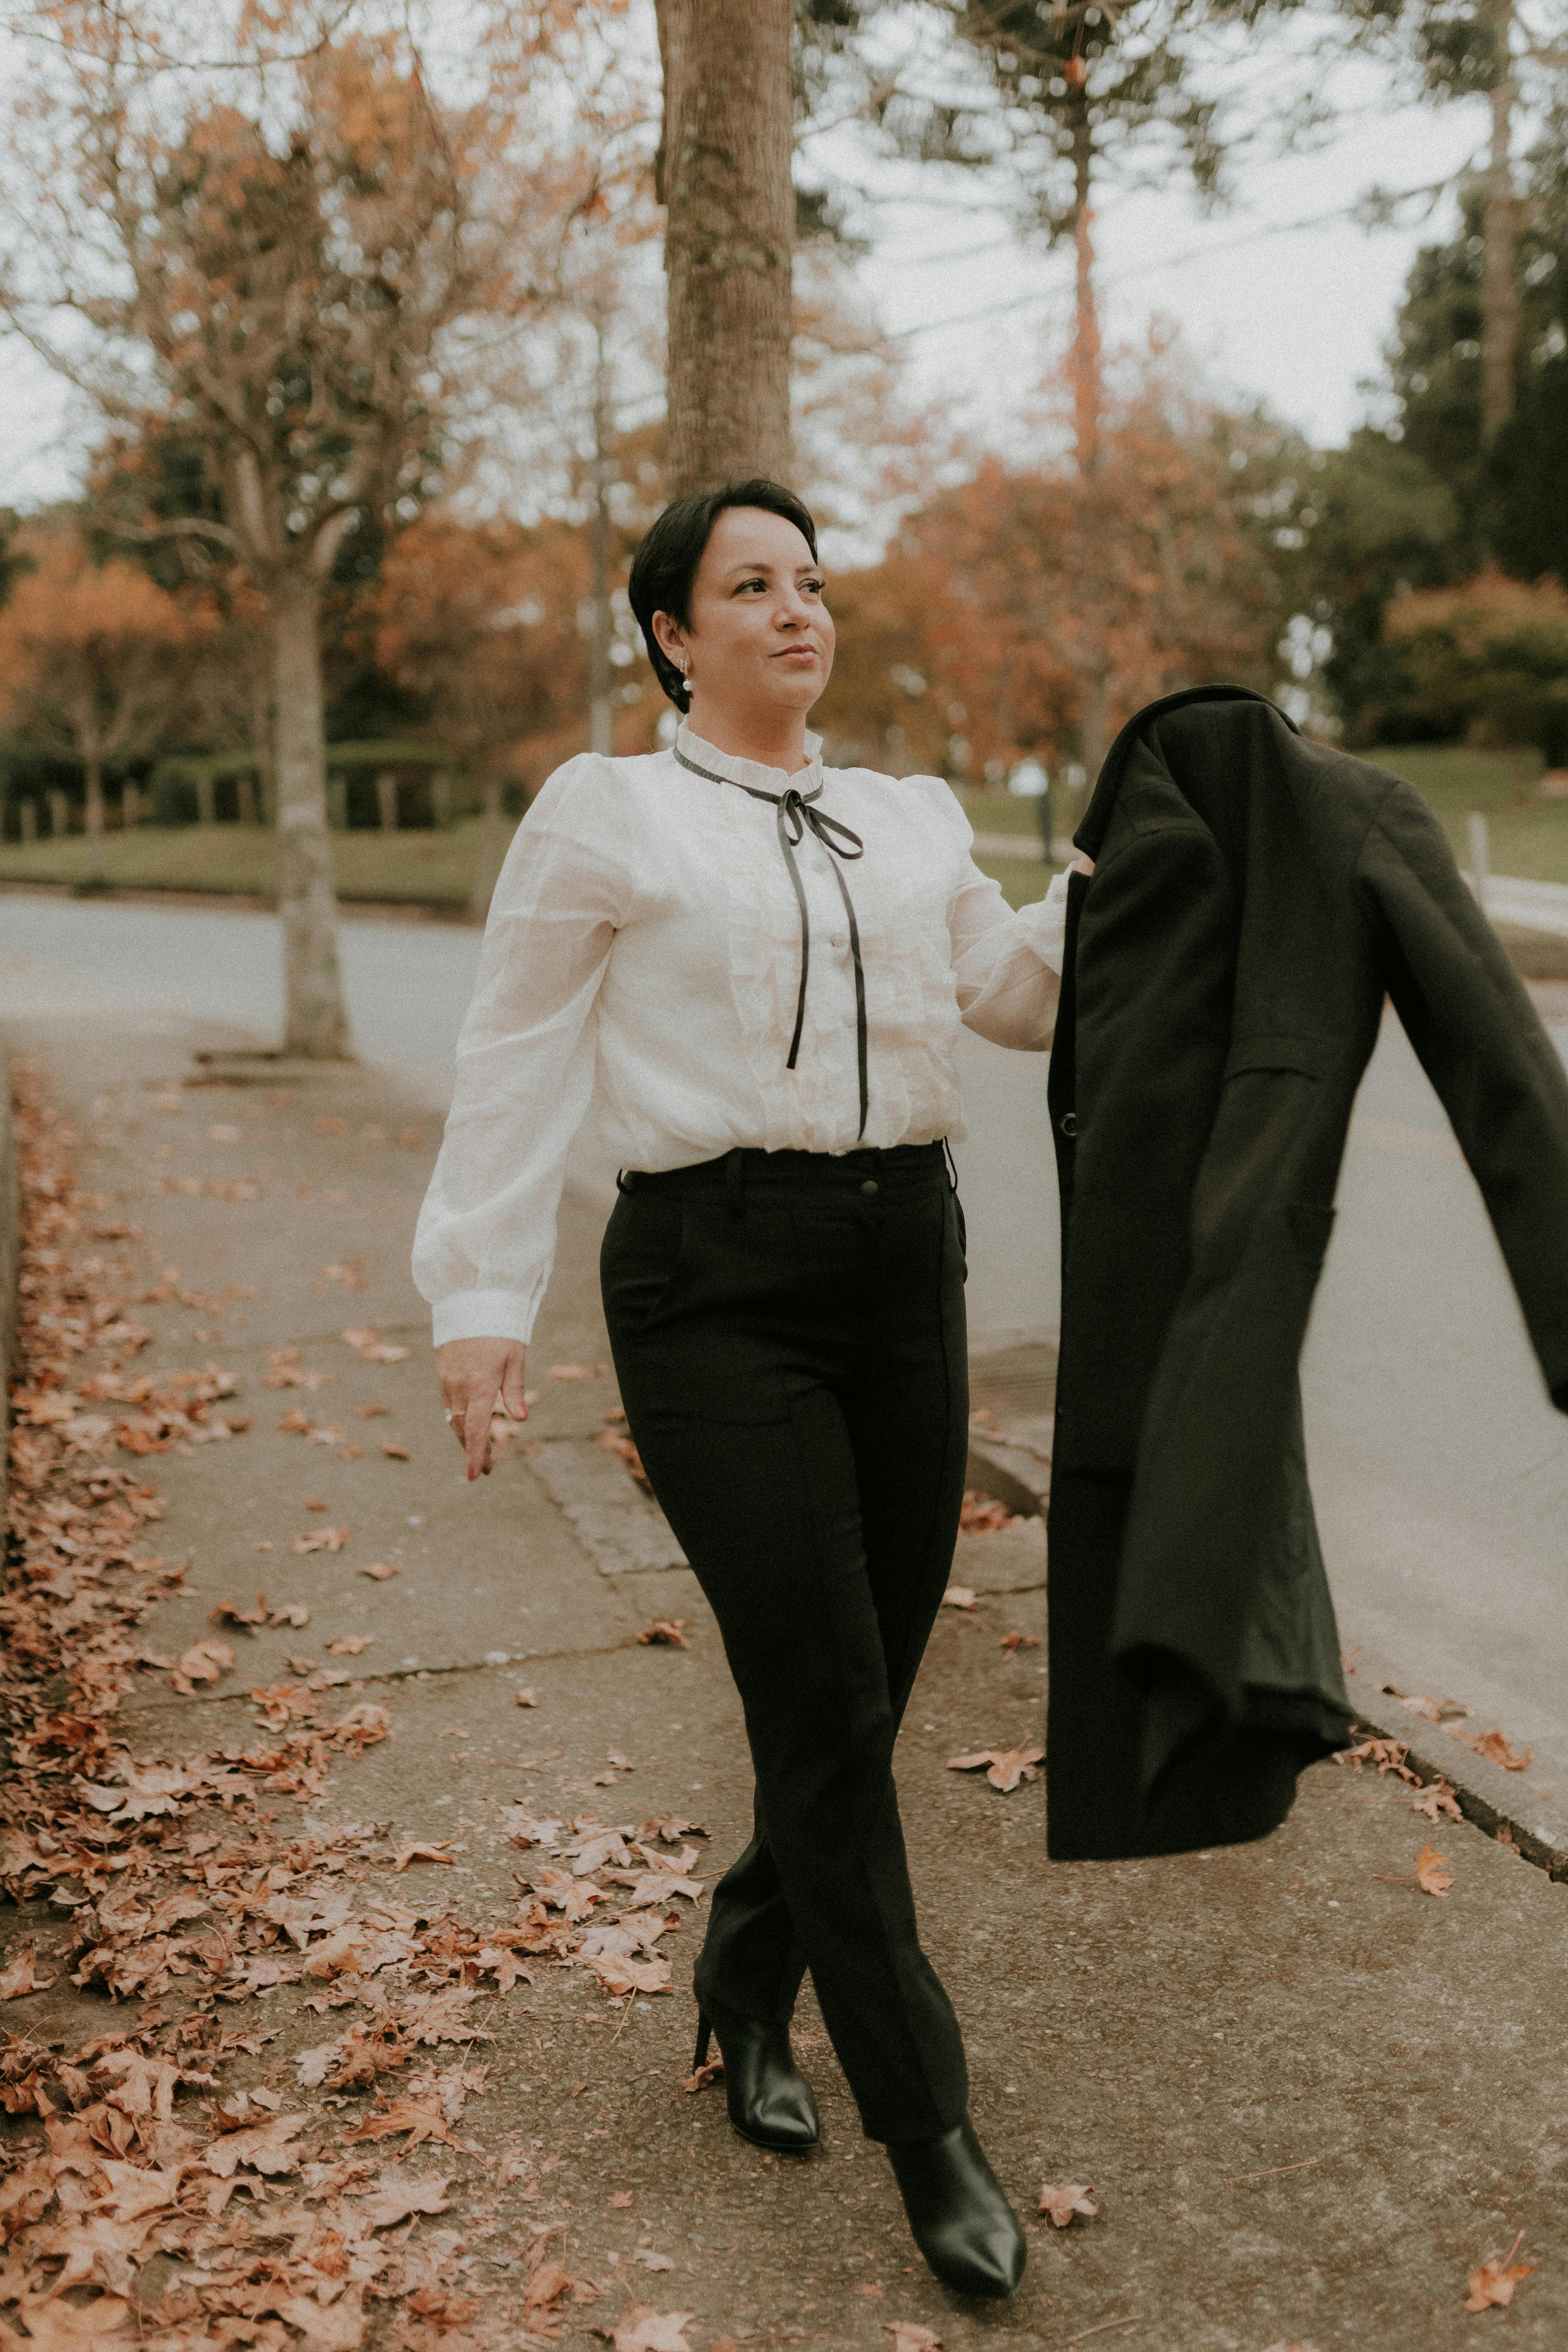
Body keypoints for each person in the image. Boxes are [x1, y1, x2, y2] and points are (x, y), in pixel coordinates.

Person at [413, 478, 1084, 2300]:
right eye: (752, 586)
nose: (799, 612)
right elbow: (514, 1050)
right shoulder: (609, 813)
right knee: (820, 1688)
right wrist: (482, 1296)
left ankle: (741, 1962)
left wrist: (1135, 869)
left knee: (865, 1683)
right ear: (670, 632)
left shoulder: (904, 815)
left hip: (899, 1267)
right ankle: (928, 2123)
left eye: (812, 583)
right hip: (713, 1285)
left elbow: (1017, 997)